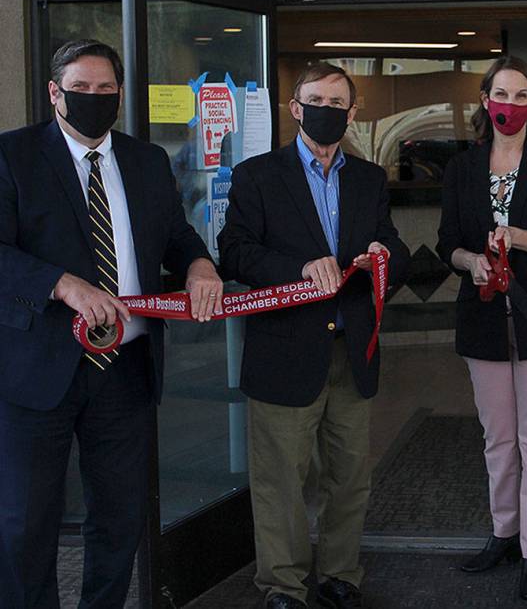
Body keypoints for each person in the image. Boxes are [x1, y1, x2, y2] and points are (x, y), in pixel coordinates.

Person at [0, 39, 221, 609]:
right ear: (55, 93)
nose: (94, 99)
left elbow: (178, 237)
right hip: (38, 372)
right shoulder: (13, 156)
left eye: (106, 90)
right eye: (81, 89)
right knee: (27, 525)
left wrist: (199, 267)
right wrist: (63, 284)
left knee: (120, 521)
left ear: (120, 95)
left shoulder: (147, 161)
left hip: (125, 370)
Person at [218, 61, 410, 609]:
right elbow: (235, 251)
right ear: (295, 109)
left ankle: (341, 577)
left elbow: (391, 245)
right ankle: (282, 586)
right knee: (281, 482)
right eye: (314, 101)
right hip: (284, 350)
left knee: (349, 477)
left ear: (352, 112)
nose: (325, 112)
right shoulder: (257, 174)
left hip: (352, 350)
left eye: (337, 103)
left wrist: (384, 257)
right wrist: (299, 268)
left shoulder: (369, 178)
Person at [436, 56, 527, 601]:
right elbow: (445, 240)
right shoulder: (461, 167)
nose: (511, 104)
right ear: (485, 99)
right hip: (482, 319)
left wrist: (513, 237)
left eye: (522, 96)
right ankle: (504, 533)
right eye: (502, 93)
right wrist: (469, 260)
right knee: (498, 439)